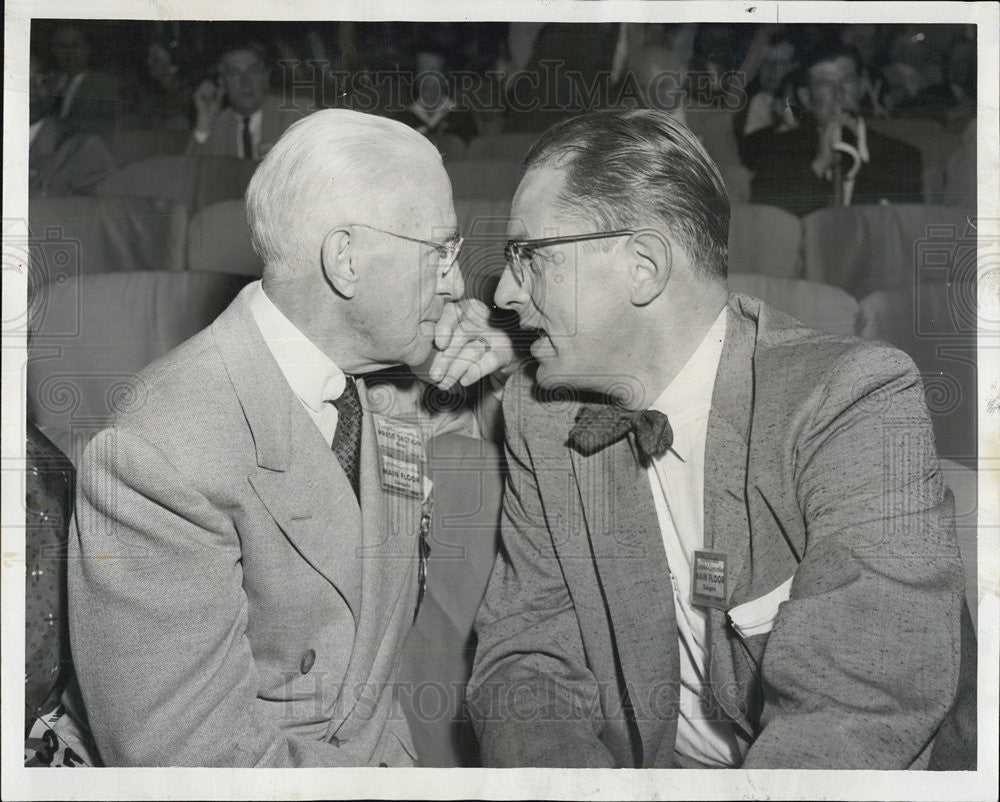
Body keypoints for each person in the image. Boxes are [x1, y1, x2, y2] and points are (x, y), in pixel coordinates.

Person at [466, 109, 975, 769]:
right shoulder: (540, 415)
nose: (505, 292)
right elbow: (526, 665)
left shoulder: (852, 401)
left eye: (528, 256)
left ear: (642, 266)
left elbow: (860, 703)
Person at [67, 109, 514, 767]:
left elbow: (528, 438)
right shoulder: (157, 456)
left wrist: (501, 361)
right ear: (347, 261)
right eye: (439, 251)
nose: (455, 282)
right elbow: (195, 761)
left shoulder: (380, 381)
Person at [740, 42, 923, 215]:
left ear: (861, 88)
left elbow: (901, 232)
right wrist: (819, 165)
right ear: (806, 97)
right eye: (824, 84)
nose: (838, 94)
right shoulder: (776, 151)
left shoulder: (901, 157)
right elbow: (769, 222)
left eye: (848, 82)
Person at [187, 42, 307, 160]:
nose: (245, 82)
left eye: (253, 71)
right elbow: (188, 174)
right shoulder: (217, 125)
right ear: (222, 83)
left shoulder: (298, 113)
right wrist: (203, 124)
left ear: (265, 77)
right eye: (234, 73)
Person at [29, 53, 116, 198]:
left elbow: (104, 215)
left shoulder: (83, 148)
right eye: (17, 80)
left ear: (56, 87)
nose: (31, 91)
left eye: (41, 80)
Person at [48, 24, 119, 140]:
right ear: (54, 51)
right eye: (63, 46)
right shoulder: (49, 83)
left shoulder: (103, 85)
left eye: (75, 45)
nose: (70, 53)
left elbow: (103, 129)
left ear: (87, 48)